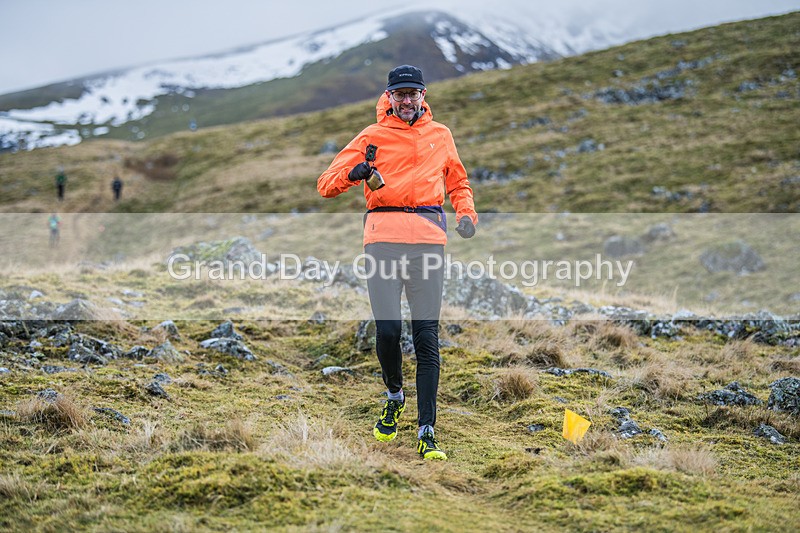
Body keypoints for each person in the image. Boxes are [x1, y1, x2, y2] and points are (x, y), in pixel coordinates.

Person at [317, 65, 477, 460]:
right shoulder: (371, 137)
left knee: (426, 338)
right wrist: (354, 173)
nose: (406, 100)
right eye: (399, 94)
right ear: (389, 97)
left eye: (413, 93)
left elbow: (458, 182)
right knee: (387, 331)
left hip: (427, 242)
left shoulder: (441, 135)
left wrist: (466, 214)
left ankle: (427, 430)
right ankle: (393, 395)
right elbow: (326, 185)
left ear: (423, 95)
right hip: (383, 242)